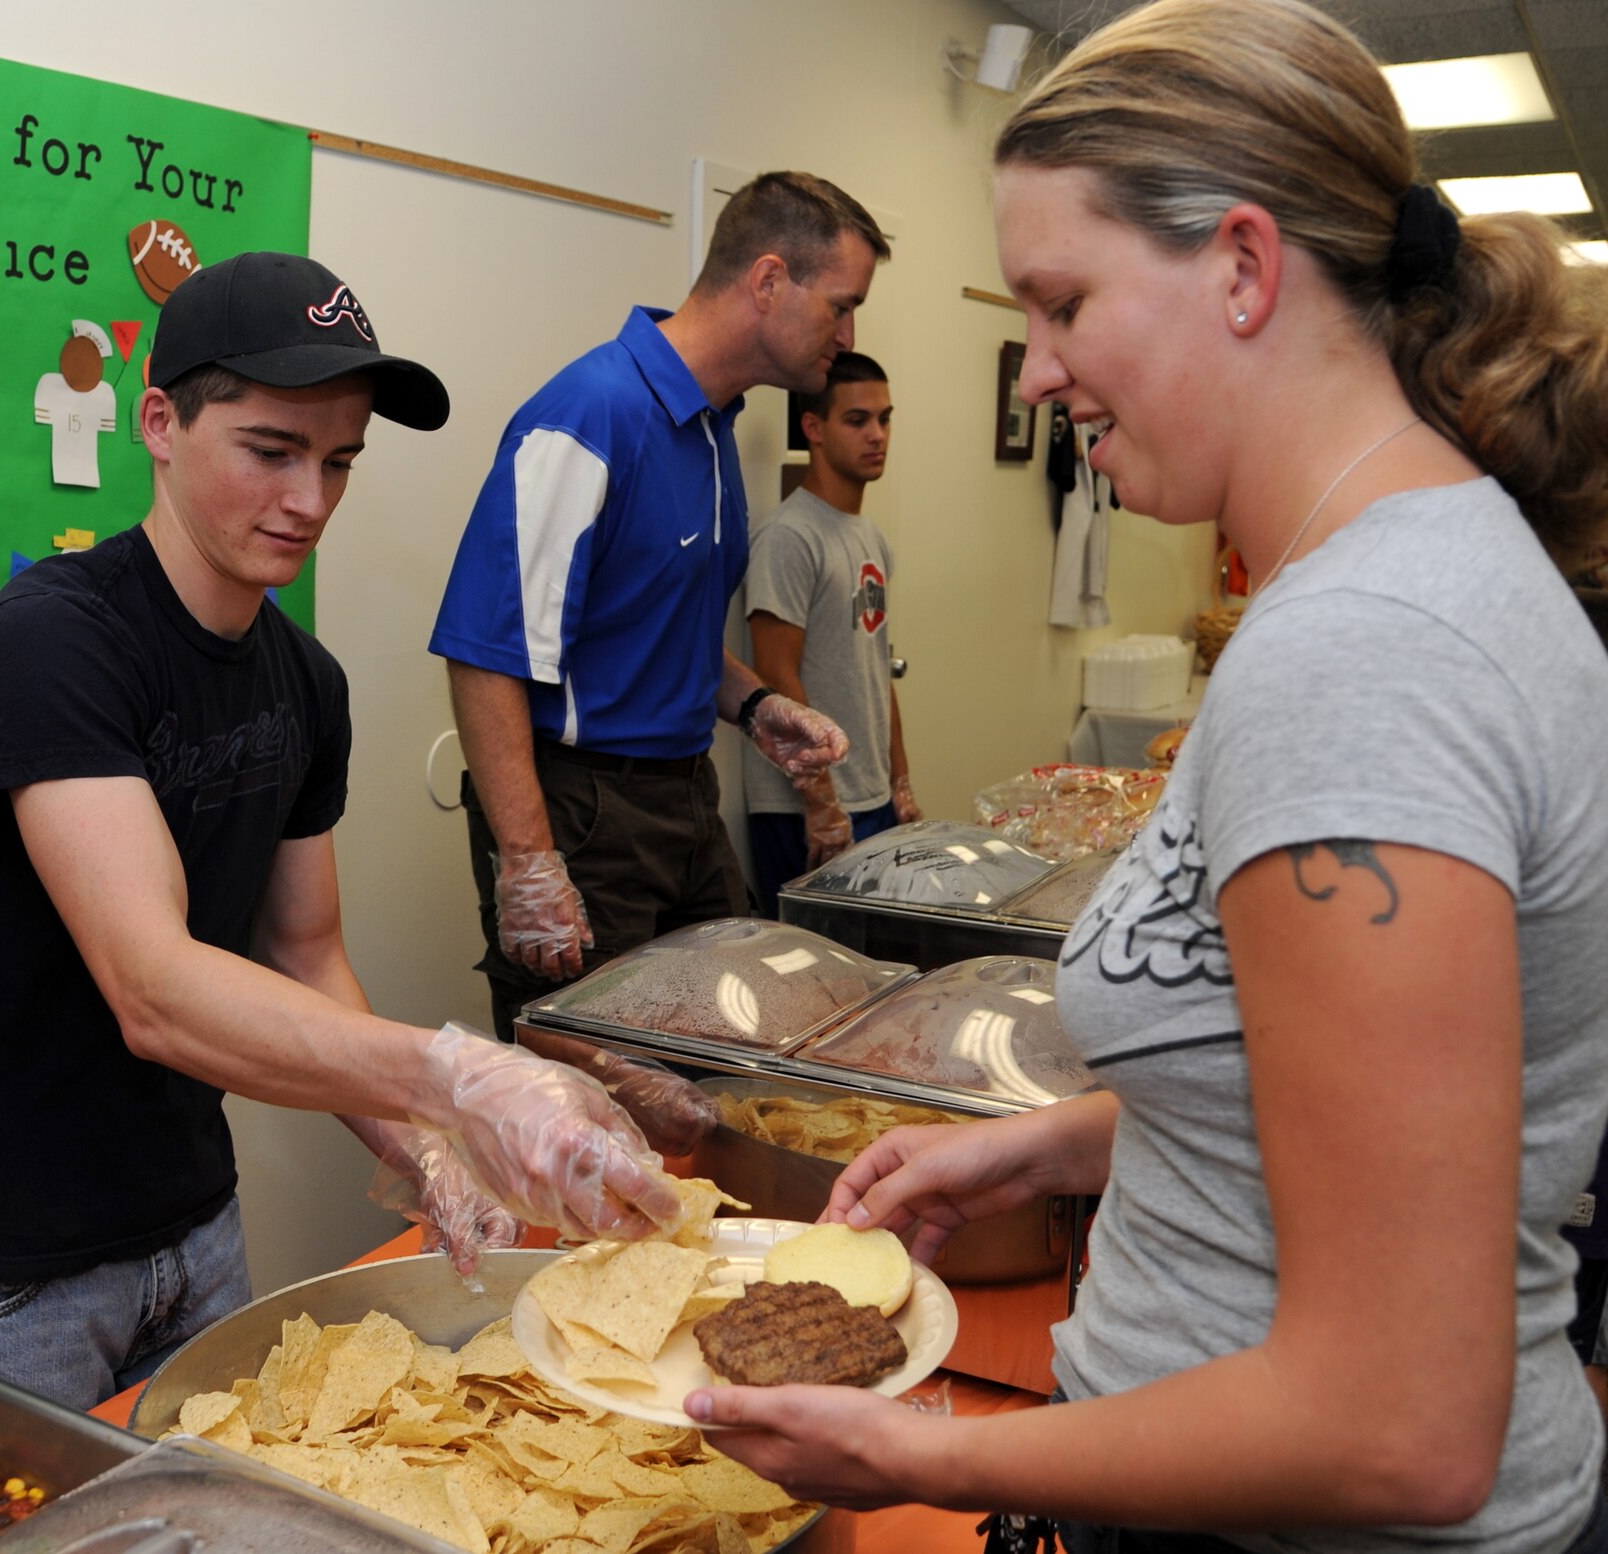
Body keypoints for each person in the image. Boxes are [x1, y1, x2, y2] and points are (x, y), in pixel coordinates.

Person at [683, 3, 1608, 1550]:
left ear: (1244, 267)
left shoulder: (1365, 654)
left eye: (1062, 302)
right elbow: (1369, 1103)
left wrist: (922, 1454)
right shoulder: (1398, 587)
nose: (1034, 373)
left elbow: (1402, 1428)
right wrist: (1048, 1140)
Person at [0, 252, 687, 1411]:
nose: (310, 502)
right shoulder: (49, 650)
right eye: (270, 452)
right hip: (7, 1264)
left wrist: (420, 1150)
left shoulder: (303, 683)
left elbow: (304, 953)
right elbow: (154, 987)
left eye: (338, 461)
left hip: (192, 1224)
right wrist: (459, 1077)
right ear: (159, 423)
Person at [431, 171, 883, 1038]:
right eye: (841, 305)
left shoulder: (713, 428)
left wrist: (757, 706)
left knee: (735, 1061)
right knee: (591, 1116)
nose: (848, 334)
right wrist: (530, 864)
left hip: (685, 801)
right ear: (768, 280)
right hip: (583, 810)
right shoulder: (590, 414)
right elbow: (487, 651)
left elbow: (649, 625)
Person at [742, 350, 919, 906]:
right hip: (802, 805)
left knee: (877, 967)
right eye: (857, 420)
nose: (877, 435)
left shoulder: (872, 538)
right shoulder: (789, 536)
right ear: (813, 428)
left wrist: (900, 783)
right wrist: (820, 802)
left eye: (885, 418)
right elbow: (774, 672)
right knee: (813, 978)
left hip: (869, 793)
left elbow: (876, 666)